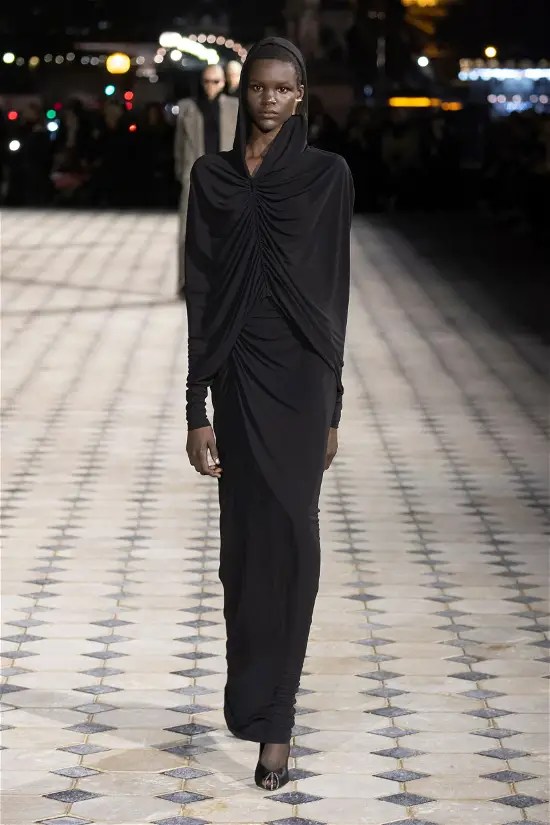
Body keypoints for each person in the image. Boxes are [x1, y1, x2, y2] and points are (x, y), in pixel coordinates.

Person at [184, 37, 354, 791]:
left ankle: (277, 721)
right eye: (259, 87)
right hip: (238, 375)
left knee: (295, 540)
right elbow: (201, 294)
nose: (270, 100)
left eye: (284, 89)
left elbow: (334, 294)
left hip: (303, 379)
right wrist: (196, 406)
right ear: (242, 91)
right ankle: (250, 696)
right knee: (245, 552)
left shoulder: (326, 176)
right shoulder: (211, 177)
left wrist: (333, 405)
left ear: (301, 96)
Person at [174, 64, 239, 298]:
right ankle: (187, 282)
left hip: (225, 179)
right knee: (189, 232)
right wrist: (183, 174)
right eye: (207, 81)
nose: (210, 86)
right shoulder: (187, 108)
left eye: (216, 81)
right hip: (195, 177)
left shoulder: (235, 107)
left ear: (224, 83)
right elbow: (179, 146)